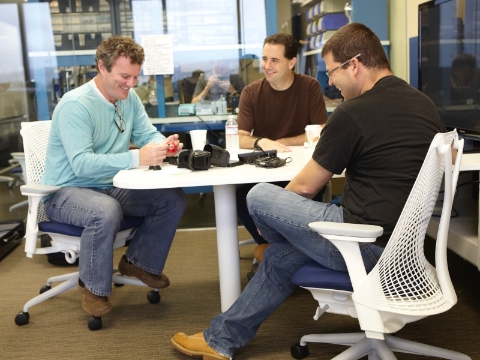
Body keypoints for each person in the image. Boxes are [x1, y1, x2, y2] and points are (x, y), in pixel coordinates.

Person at [171, 23, 446, 359]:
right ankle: (220, 340)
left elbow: (303, 188)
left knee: (258, 195)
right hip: (405, 250)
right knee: (280, 258)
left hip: (365, 246)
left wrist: (278, 225)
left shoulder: (354, 112)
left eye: (333, 72)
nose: (330, 81)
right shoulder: (425, 105)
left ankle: (271, 245)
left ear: (354, 65)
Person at [40, 36, 187, 317]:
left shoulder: (128, 99)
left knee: (171, 198)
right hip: (65, 191)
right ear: (102, 67)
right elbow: (82, 165)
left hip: (110, 186)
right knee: (106, 210)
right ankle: (92, 287)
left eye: (134, 77)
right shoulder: (76, 105)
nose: (131, 84)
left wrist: (163, 144)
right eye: (124, 76)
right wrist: (137, 157)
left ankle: (138, 263)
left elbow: (146, 134)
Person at [235, 33, 328, 268]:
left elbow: (321, 132)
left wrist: (284, 142)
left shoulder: (309, 87)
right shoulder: (251, 92)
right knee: (239, 196)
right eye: (264, 59)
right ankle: (275, 246)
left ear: (291, 62)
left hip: (302, 173)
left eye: (274, 60)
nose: (267, 66)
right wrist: (262, 142)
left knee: (310, 196)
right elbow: (240, 137)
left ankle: (278, 251)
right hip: (262, 173)